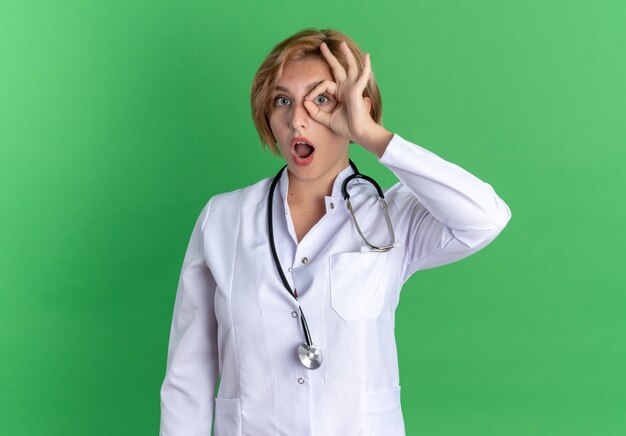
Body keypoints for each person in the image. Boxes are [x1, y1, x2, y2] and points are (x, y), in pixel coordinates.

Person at [159, 27, 512, 436]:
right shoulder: (222, 218)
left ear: (353, 107)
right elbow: (188, 376)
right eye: (282, 101)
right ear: (266, 115)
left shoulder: (393, 217)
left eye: (321, 99)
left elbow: (486, 217)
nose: (297, 119)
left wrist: (372, 136)